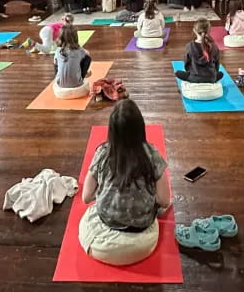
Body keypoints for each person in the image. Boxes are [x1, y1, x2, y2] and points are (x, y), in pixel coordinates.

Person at [79, 99, 171, 266]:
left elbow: (85, 197)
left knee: (90, 215)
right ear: (140, 128)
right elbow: (165, 200)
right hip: (142, 241)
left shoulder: (102, 153)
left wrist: (105, 190)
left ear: (112, 131)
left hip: (104, 242)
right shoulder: (151, 154)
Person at [174, 18, 223, 83]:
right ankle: (211, 78)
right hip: (211, 78)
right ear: (209, 31)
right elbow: (217, 65)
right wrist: (214, 74)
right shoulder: (214, 46)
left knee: (177, 73)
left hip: (194, 78)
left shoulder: (190, 46)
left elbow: (186, 63)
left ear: (194, 30)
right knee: (221, 74)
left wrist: (190, 71)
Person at [54, 24, 92, 89]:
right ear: (75, 37)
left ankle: (59, 78)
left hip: (60, 84)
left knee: (56, 61)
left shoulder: (58, 50)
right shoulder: (80, 50)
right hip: (77, 84)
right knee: (87, 58)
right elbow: (87, 54)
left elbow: (56, 66)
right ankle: (83, 74)